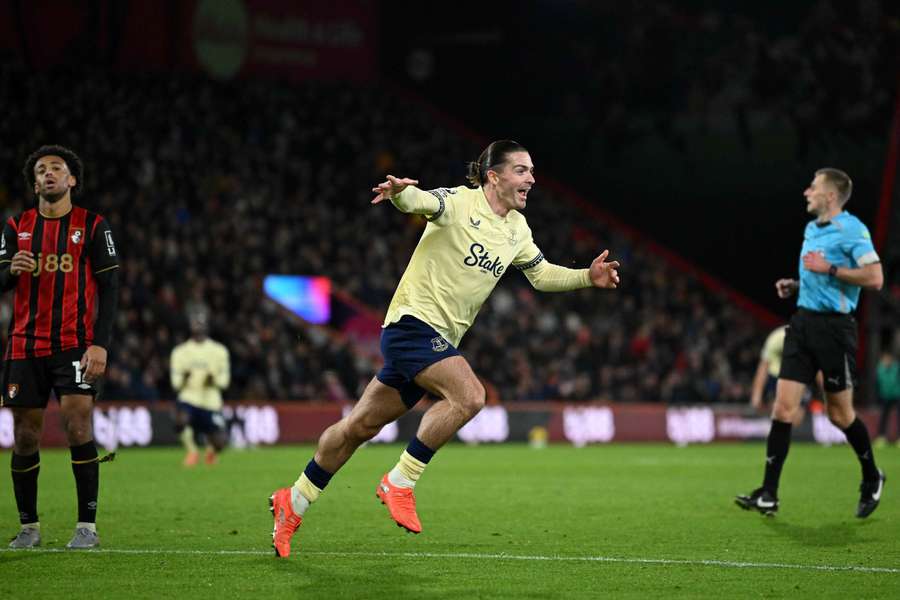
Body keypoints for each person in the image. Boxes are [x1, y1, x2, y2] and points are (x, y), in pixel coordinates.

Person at [268, 140, 621, 558]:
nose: (531, 178)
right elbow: (421, 201)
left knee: (358, 428)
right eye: (521, 170)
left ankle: (295, 500)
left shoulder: (517, 229)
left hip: (436, 340)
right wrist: (400, 194)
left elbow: (541, 275)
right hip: (411, 325)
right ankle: (400, 481)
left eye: (531, 171)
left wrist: (586, 277)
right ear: (494, 176)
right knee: (470, 396)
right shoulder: (458, 201)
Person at [736, 168, 885, 518]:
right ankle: (769, 493)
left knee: (839, 414)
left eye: (813, 187)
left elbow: (875, 277)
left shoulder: (853, 230)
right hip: (803, 324)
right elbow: (818, 275)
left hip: (835, 330)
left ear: (830, 196)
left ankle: (871, 476)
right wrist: (798, 285)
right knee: (782, 409)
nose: (807, 192)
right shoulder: (811, 229)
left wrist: (829, 269)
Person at [2, 146, 119, 549]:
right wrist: (8, 272)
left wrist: (100, 345)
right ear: (35, 183)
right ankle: (29, 527)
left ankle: (86, 527)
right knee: (25, 435)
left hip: (73, 344)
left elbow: (110, 287)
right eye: (41, 170)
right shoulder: (15, 226)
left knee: (78, 424)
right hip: (24, 345)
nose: (48, 173)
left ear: (72, 180)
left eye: (56, 168)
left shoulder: (93, 225)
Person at [170, 313, 230, 466]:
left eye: (201, 322)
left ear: (207, 325)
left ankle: (211, 450)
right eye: (195, 322)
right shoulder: (180, 352)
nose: (198, 326)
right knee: (180, 418)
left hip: (211, 402)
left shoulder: (219, 351)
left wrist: (213, 380)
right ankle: (192, 451)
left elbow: (225, 382)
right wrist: (184, 378)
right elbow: (175, 384)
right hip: (189, 398)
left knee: (221, 442)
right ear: (190, 326)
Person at [749, 325, 822, 426]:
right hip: (776, 376)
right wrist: (756, 395)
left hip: (800, 376)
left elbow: (818, 370)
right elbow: (763, 369)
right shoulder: (776, 339)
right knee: (779, 412)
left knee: (797, 418)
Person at [874, 349, 900, 447]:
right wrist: (878, 396)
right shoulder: (879, 369)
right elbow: (876, 384)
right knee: (883, 417)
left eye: (888, 359)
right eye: (884, 359)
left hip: (897, 395)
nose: (886, 361)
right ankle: (881, 437)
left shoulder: (897, 368)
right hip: (885, 396)